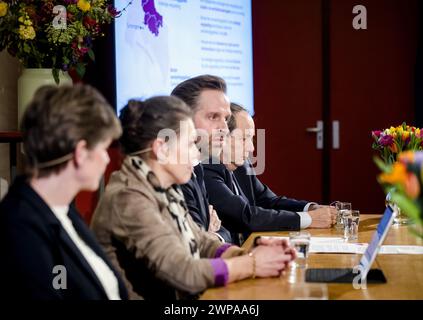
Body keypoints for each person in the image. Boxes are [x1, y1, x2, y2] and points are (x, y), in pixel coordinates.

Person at [90, 96, 295, 300]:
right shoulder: (129, 197)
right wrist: (252, 264)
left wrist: (250, 254)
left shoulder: (162, 187)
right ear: (161, 148)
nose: (196, 156)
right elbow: (184, 272)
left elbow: (202, 241)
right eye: (190, 145)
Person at [0, 84, 128, 300]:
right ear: (80, 153)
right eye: (103, 149)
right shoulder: (19, 226)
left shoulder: (61, 208)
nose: (107, 159)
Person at [203, 102, 336, 240]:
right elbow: (246, 216)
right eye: (244, 139)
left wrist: (310, 209)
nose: (251, 149)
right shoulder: (207, 169)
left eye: (251, 139)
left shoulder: (242, 166)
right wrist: (309, 219)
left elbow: (269, 201)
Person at [171, 75, 233, 242]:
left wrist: (212, 236)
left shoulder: (197, 166)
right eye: (213, 117)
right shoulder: (171, 175)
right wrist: (208, 235)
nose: (225, 129)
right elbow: (195, 246)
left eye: (226, 119)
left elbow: (224, 232)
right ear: (183, 120)